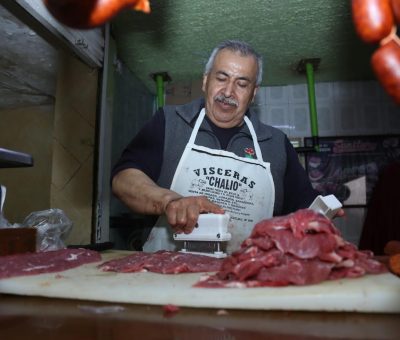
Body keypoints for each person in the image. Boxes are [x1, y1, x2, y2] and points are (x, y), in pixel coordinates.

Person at [111, 40, 323, 253]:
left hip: (247, 278)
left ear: (253, 92)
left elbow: (306, 210)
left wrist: (323, 217)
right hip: (168, 277)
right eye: (221, 78)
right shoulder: (169, 123)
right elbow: (123, 180)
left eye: (241, 84)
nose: (228, 91)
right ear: (205, 81)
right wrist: (170, 201)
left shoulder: (276, 143)